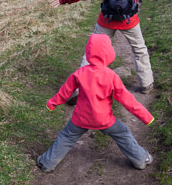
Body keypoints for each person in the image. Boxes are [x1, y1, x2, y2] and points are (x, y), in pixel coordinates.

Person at [36, 34, 154, 173]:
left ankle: (46, 163)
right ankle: (141, 159)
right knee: (122, 134)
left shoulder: (79, 73)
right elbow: (128, 100)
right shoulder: (111, 76)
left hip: (80, 119)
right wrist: (145, 117)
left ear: (88, 52)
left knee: (66, 137)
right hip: (104, 120)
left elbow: (65, 92)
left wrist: (52, 103)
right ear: (109, 53)